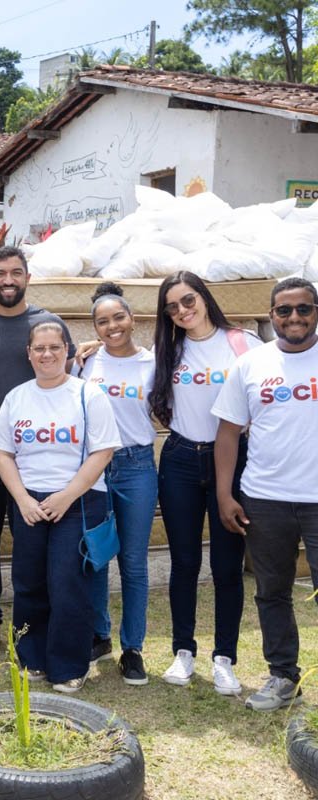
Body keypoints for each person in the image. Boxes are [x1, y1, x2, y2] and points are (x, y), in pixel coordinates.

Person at [0, 321, 119, 692]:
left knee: (67, 583)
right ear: (28, 354)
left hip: (78, 501)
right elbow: (3, 453)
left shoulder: (87, 395)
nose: (47, 354)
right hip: (28, 500)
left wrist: (66, 496)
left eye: (55, 347)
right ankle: (31, 658)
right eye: (39, 348)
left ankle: (68, 666)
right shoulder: (17, 397)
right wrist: (23, 499)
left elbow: (103, 451)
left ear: (67, 350)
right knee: (29, 582)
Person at [0, 246, 74, 657]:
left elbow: (69, 381)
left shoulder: (50, 325)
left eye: (16, 273)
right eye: (0, 273)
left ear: (28, 277)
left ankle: (36, 622)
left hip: (41, 457)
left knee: (36, 540)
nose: (8, 280)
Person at [148, 270, 257, 695]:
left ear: (204, 298)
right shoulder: (167, 350)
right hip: (179, 458)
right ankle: (183, 651)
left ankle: (224, 659)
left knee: (227, 565)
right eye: (172, 307)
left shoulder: (242, 343)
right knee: (185, 562)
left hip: (231, 459)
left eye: (188, 301)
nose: (181, 311)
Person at [214, 277, 318, 711]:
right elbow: (228, 433)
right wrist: (224, 493)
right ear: (271, 314)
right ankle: (282, 677)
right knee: (271, 591)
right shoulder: (251, 364)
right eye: (284, 310)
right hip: (264, 498)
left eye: (303, 309)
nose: (294, 317)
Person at [74, 283, 157, 685]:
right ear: (95, 327)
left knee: (134, 562)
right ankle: (99, 635)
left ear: (133, 319)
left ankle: (133, 648)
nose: (112, 326)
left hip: (137, 465)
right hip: (95, 467)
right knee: (96, 553)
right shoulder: (86, 363)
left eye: (118, 317)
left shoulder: (152, 364)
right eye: (102, 321)